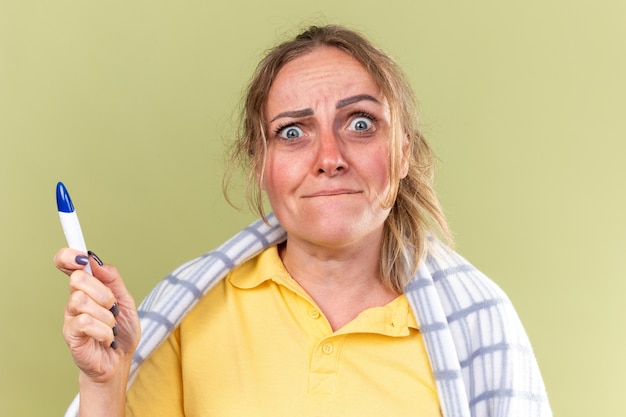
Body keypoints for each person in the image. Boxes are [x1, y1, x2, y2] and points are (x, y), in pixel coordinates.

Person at [54, 25, 552, 417]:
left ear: (402, 153)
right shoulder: (189, 316)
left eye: (360, 123)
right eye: (293, 131)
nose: (329, 156)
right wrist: (104, 383)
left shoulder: (480, 323)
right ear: (260, 166)